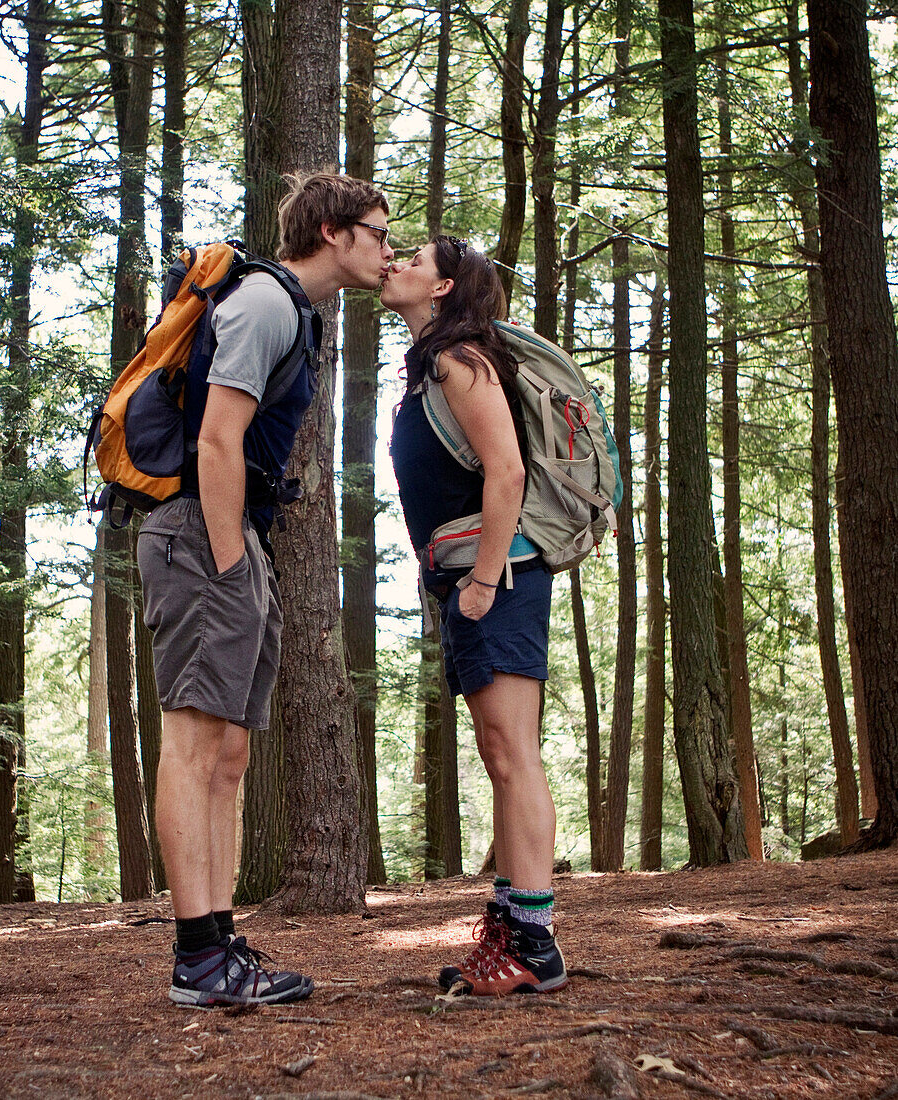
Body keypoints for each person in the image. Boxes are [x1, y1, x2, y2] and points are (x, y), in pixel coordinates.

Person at [137, 173, 394, 1007]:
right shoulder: (266, 303)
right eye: (378, 232)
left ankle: (216, 941)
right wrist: (226, 561)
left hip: (229, 533)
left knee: (230, 752)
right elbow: (217, 440)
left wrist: (243, 552)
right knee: (195, 743)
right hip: (200, 533)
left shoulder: (290, 310)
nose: (388, 249)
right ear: (331, 231)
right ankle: (196, 957)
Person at [381, 235, 568, 997]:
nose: (395, 263)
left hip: (500, 575)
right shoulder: (433, 367)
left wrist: (486, 581)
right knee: (500, 749)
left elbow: (508, 470)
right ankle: (510, 923)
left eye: (413, 259)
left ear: (444, 286)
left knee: (511, 749)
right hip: (470, 577)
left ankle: (534, 942)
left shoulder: (461, 360)